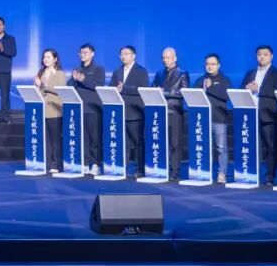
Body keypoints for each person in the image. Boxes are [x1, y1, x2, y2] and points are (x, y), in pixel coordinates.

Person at [242, 45, 277, 186]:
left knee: (270, 147)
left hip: (268, 115)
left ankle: (270, 177)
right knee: (252, 146)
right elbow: (242, 89)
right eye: (259, 54)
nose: (262, 57)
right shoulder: (250, 72)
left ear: (271, 56)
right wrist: (247, 89)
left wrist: (259, 90)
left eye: (265, 54)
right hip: (251, 115)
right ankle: (251, 174)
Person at [111, 45, 149, 178]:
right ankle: (124, 167)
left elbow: (143, 89)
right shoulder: (117, 71)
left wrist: (125, 88)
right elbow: (112, 88)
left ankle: (140, 168)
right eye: (121, 54)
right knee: (123, 143)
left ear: (133, 56)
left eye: (126, 53)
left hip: (135, 112)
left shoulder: (141, 71)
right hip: (121, 112)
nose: (123, 56)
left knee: (138, 142)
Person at [67, 43, 105, 175]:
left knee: (95, 138)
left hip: (93, 108)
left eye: (85, 52)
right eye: (81, 53)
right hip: (79, 108)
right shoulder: (77, 69)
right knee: (83, 138)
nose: (82, 55)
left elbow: (98, 85)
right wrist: (74, 79)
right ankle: (85, 162)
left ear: (92, 54)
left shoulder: (98, 69)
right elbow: (69, 85)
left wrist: (83, 80)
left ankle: (95, 164)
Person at [153, 47, 189, 181]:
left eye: (167, 57)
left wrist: (165, 92)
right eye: (163, 57)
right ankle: (163, 169)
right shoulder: (159, 73)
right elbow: (153, 89)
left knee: (175, 143)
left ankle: (175, 171)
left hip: (175, 112)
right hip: (161, 112)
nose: (164, 60)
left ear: (175, 58)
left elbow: (183, 92)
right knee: (162, 142)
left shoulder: (182, 74)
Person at [197, 54, 232, 184]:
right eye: (207, 64)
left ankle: (222, 173)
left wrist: (210, 87)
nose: (210, 66)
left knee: (221, 148)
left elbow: (226, 96)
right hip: (202, 120)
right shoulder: (200, 80)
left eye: (213, 64)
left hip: (219, 118)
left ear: (218, 65)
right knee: (203, 146)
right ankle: (203, 172)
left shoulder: (224, 80)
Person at [34, 49, 67, 172]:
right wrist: (37, 86)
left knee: (55, 139)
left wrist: (43, 85)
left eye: (48, 57)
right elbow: (39, 90)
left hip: (55, 110)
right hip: (43, 109)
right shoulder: (41, 72)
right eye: (44, 57)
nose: (46, 59)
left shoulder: (60, 73)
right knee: (45, 139)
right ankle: (47, 163)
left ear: (55, 59)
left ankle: (56, 164)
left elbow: (60, 89)